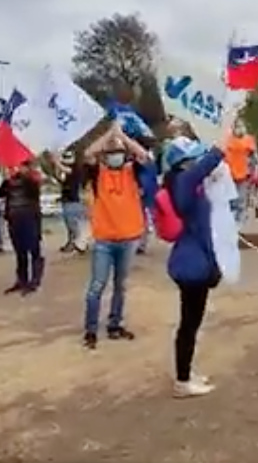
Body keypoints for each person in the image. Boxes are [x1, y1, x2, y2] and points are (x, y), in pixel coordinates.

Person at [164, 111, 238, 397]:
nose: (197, 162)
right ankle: (182, 381)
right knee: (189, 324)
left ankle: (186, 371)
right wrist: (227, 123)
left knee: (192, 323)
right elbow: (214, 156)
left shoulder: (186, 183)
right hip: (191, 265)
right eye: (192, 159)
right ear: (183, 163)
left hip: (193, 262)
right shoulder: (185, 182)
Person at [81, 123, 150, 350]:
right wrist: (110, 135)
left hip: (129, 238)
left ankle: (115, 325)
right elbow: (88, 153)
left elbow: (143, 155)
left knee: (121, 285)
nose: (115, 155)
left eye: (118, 152)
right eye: (110, 152)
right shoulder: (98, 173)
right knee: (97, 286)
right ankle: (91, 330)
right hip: (104, 239)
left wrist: (122, 137)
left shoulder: (133, 172)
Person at [0, 163, 45, 294]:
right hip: (14, 220)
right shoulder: (10, 180)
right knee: (20, 251)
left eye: (21, 166)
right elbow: (1, 193)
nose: (17, 168)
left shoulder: (32, 180)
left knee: (34, 249)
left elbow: (34, 190)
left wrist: (27, 175)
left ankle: (35, 281)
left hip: (30, 219)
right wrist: (6, 180)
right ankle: (21, 280)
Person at [223, 119, 258, 224]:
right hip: (229, 174)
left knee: (241, 199)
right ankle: (231, 221)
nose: (239, 128)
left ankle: (240, 222)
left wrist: (255, 171)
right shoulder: (227, 140)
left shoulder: (249, 140)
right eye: (237, 126)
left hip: (244, 174)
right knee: (231, 199)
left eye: (241, 126)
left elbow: (254, 158)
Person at [55, 150, 87, 255]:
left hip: (73, 201)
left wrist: (56, 161)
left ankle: (80, 243)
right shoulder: (66, 171)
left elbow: (65, 170)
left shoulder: (75, 169)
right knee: (69, 224)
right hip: (67, 200)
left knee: (73, 224)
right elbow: (59, 177)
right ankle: (72, 243)